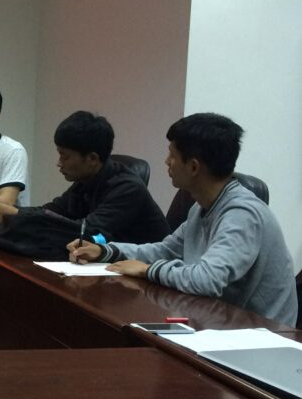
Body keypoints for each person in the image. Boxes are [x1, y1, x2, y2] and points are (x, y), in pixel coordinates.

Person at [68, 113, 297, 326]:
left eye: (172, 154)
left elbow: (207, 280)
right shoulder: (201, 208)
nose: (166, 161)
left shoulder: (242, 214)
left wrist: (147, 270)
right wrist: (106, 251)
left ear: (194, 167)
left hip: (260, 337)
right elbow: (165, 250)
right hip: (217, 323)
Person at [0, 111, 169, 244]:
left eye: (65, 156)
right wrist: (13, 212)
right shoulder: (85, 182)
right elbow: (51, 211)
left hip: (146, 275)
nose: (59, 163)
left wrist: (16, 214)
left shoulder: (127, 188)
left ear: (92, 159)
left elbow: (85, 231)